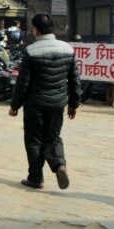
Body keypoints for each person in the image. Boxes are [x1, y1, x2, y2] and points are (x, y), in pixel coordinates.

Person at [8, 13, 80, 190]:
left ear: (35, 29)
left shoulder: (31, 51)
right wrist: (73, 104)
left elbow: (23, 82)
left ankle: (35, 178)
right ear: (52, 29)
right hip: (58, 102)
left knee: (34, 140)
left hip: (35, 103)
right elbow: (75, 80)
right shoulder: (67, 49)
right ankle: (59, 165)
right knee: (53, 137)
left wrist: (14, 106)